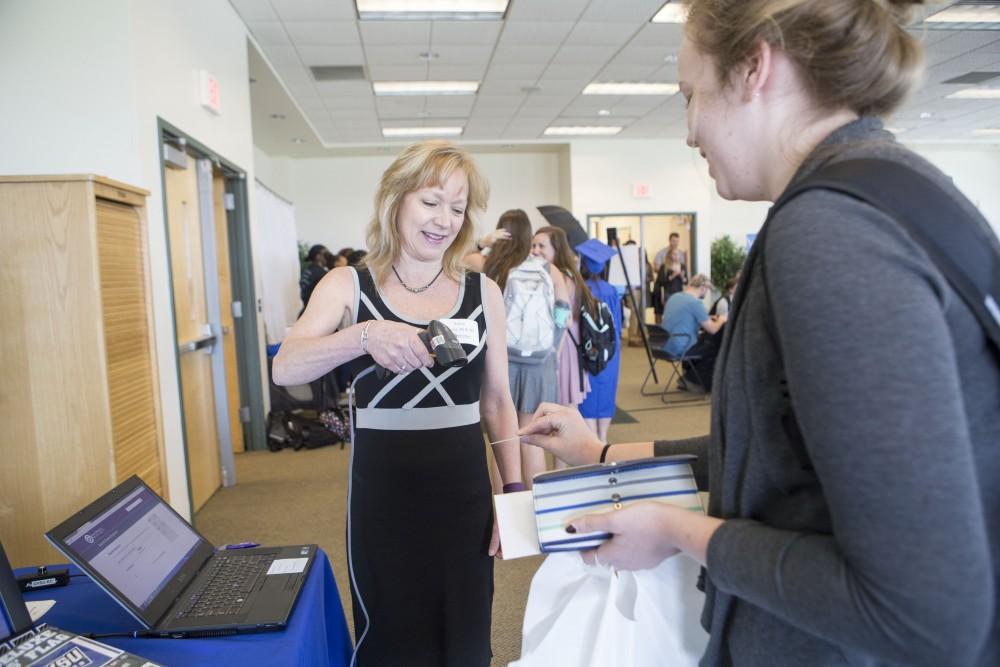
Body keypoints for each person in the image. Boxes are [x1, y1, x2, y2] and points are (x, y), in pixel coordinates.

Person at [520, 1, 1000, 665]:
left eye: (691, 95)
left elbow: (924, 609)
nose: (689, 131)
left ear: (754, 67)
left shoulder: (830, 233)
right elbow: (768, 445)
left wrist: (675, 530)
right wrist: (604, 456)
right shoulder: (891, 187)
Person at [272, 140, 523, 666]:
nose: (444, 220)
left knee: (467, 639)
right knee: (390, 640)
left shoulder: (483, 293)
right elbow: (286, 367)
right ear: (396, 200)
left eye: (458, 208)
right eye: (431, 202)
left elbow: (498, 401)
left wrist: (515, 494)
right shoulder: (348, 285)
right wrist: (361, 336)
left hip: (465, 502)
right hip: (383, 502)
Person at [467, 210, 568, 487]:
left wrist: (482, 242)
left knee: (503, 439)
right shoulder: (549, 269)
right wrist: (552, 351)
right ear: (528, 235)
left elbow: (451, 262)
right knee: (532, 440)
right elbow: (562, 313)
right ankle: (536, 509)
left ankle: (503, 513)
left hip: (501, 360)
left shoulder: (487, 264)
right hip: (540, 363)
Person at [531, 226, 593, 468]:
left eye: (541, 246)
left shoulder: (561, 276)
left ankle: (563, 475)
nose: (535, 250)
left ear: (556, 249)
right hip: (557, 350)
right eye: (533, 245)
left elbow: (561, 321)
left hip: (562, 351)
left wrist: (552, 359)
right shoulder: (556, 273)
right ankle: (562, 474)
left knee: (564, 416)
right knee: (559, 415)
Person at [575, 238, 622, 443]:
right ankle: (603, 438)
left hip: (587, 349)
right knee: (606, 390)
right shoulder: (611, 290)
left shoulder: (580, 289)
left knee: (589, 391)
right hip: (611, 349)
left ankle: (593, 440)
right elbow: (618, 324)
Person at [661, 273, 725, 358]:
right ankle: (696, 371)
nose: (707, 293)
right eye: (707, 290)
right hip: (682, 348)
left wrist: (707, 318)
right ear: (703, 288)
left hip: (665, 346)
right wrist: (722, 319)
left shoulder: (674, 297)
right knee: (714, 345)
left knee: (702, 339)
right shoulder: (695, 303)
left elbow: (683, 317)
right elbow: (712, 329)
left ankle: (690, 370)